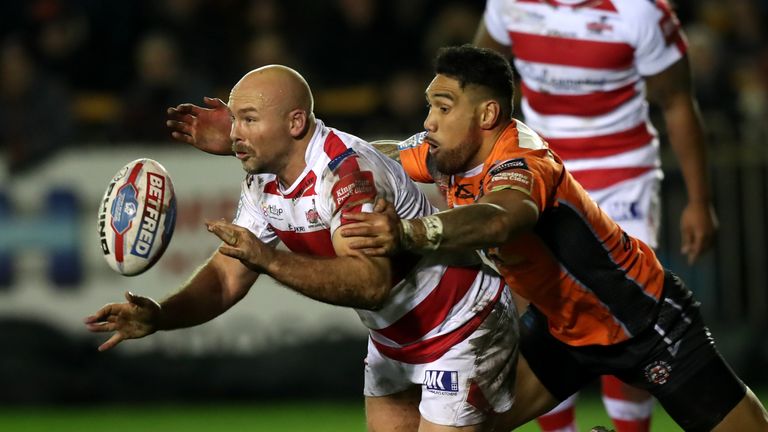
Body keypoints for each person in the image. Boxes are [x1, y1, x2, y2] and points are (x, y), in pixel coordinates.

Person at [340, 45, 768, 431]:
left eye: (443, 107)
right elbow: (381, 156)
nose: (428, 122)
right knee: (463, 424)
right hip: (559, 330)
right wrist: (324, 163)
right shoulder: (446, 151)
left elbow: (500, 219)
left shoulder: (524, 159)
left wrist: (411, 231)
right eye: (430, 106)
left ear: (487, 115)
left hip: (642, 319)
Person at [84, 64, 519, 431]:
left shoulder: (347, 175)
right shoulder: (263, 181)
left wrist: (269, 259)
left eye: (249, 119)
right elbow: (224, 279)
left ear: (295, 123)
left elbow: (370, 283)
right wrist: (160, 316)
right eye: (235, 119)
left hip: (462, 323)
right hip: (394, 339)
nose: (235, 133)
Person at [472, 1, 719, 430]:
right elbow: (477, 83)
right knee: (541, 320)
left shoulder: (640, 11)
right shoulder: (510, 4)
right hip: (540, 171)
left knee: (630, 318)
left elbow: (678, 100)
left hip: (621, 177)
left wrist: (700, 201)